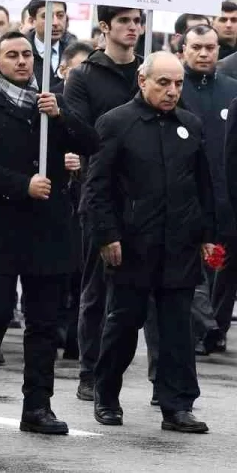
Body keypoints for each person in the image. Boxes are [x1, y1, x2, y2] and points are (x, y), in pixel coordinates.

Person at [0, 31, 97, 434]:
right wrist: (22, 184)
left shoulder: (50, 102)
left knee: (43, 323)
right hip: (2, 227)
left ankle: (38, 406)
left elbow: (91, 141)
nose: (21, 62)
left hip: (49, 228)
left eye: (27, 55)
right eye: (12, 55)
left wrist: (61, 116)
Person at [85, 52, 219, 433]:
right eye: (163, 82)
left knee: (178, 328)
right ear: (143, 80)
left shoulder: (189, 125)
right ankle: (106, 393)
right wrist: (107, 234)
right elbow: (98, 188)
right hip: (132, 243)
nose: (172, 91)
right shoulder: (116, 123)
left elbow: (202, 186)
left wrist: (208, 235)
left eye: (178, 83)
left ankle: (177, 405)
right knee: (124, 324)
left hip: (178, 243)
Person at [64, 5, 142, 402]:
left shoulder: (149, 72)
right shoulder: (84, 76)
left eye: (138, 21)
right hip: (101, 194)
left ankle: (149, 376)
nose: (134, 28)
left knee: (144, 293)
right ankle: (89, 370)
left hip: (147, 199)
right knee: (96, 290)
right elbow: (78, 133)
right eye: (125, 21)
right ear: (105, 27)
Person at [175, 25, 237, 354]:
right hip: (185, 192)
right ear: (183, 48)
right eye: (197, 47)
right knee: (190, 266)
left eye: (210, 48)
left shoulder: (231, 89)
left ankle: (217, 327)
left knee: (223, 266)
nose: (204, 54)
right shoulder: (173, 86)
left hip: (225, 193)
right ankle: (196, 328)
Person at [24, 0, 71, 89]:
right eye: (46, 16)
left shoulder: (72, 53)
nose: (55, 23)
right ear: (32, 21)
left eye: (60, 15)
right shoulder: (22, 53)